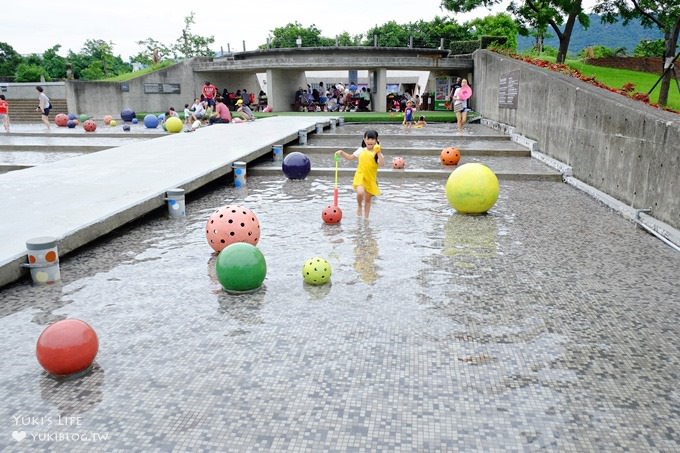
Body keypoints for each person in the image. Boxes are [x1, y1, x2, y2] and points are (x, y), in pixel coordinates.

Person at [335, 130, 385, 218]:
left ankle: (366, 218)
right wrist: (342, 153)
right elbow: (350, 157)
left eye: (372, 139)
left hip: (370, 178)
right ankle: (359, 205)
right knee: (360, 192)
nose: (370, 141)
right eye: (368, 139)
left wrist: (379, 152)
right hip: (360, 176)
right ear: (364, 140)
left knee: (368, 200)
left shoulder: (377, 153)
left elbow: (381, 164)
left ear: (376, 140)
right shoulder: (361, 150)